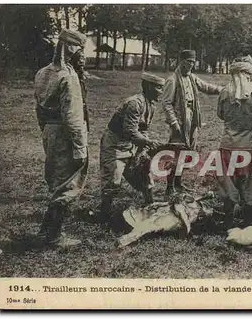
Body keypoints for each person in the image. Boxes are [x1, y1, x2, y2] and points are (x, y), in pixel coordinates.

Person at [33, 29, 88, 247]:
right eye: (79, 51)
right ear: (70, 49)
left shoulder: (42, 73)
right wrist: (80, 148)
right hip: (65, 133)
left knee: (56, 180)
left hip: (49, 131)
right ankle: (54, 235)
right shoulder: (68, 76)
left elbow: (38, 107)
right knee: (68, 183)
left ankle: (46, 232)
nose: (82, 56)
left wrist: (45, 131)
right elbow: (73, 116)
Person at [98, 73, 164, 232]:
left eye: (162, 88)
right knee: (113, 181)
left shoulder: (151, 104)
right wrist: (148, 142)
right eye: (158, 87)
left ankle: (151, 205)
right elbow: (130, 132)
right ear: (147, 86)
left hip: (132, 145)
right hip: (115, 144)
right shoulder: (135, 104)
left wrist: (145, 148)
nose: (161, 91)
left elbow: (143, 129)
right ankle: (103, 213)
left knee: (144, 174)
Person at [217, 55, 252, 230]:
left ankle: (228, 220)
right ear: (249, 75)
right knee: (251, 182)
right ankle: (248, 221)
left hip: (228, 145)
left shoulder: (225, 92)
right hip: (249, 145)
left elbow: (220, 114)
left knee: (228, 182)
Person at [161, 50, 223, 196]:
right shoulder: (173, 80)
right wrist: (174, 123)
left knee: (188, 152)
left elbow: (207, 87)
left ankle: (178, 183)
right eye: (188, 61)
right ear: (181, 61)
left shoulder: (192, 78)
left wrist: (224, 90)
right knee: (176, 153)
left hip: (192, 119)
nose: (191, 64)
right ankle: (169, 186)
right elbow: (166, 103)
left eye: (193, 62)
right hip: (180, 120)